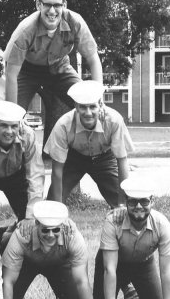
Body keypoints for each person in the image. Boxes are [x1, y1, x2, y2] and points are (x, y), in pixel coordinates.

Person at [3, 0, 103, 111]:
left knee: (88, 104)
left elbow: (93, 59)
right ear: (39, 5)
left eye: (57, 5)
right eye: (47, 5)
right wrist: (12, 114)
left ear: (64, 5)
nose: (52, 11)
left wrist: (98, 99)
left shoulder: (75, 23)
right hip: (26, 70)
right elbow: (11, 74)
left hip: (59, 66)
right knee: (13, 115)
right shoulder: (25, 31)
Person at [92, 177, 170, 299]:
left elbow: (166, 271)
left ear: (152, 201)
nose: (138, 206)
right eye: (132, 201)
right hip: (115, 264)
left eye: (144, 201)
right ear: (126, 201)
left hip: (143, 264)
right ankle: (121, 288)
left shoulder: (162, 225)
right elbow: (109, 269)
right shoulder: (113, 221)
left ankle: (131, 294)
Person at [44, 80, 133, 208]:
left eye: (92, 106)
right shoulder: (63, 124)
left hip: (105, 158)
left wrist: (122, 204)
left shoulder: (114, 120)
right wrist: (56, 208)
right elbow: (57, 170)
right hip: (74, 158)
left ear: (101, 105)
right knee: (52, 204)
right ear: (76, 106)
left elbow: (122, 160)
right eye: (83, 107)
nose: (88, 112)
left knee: (125, 203)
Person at [1, 200, 94, 299]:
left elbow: (82, 280)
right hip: (27, 263)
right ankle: (6, 235)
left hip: (59, 264)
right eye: (45, 230)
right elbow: (8, 280)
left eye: (55, 230)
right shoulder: (22, 235)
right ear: (36, 224)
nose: (50, 235)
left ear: (62, 226)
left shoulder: (72, 235)